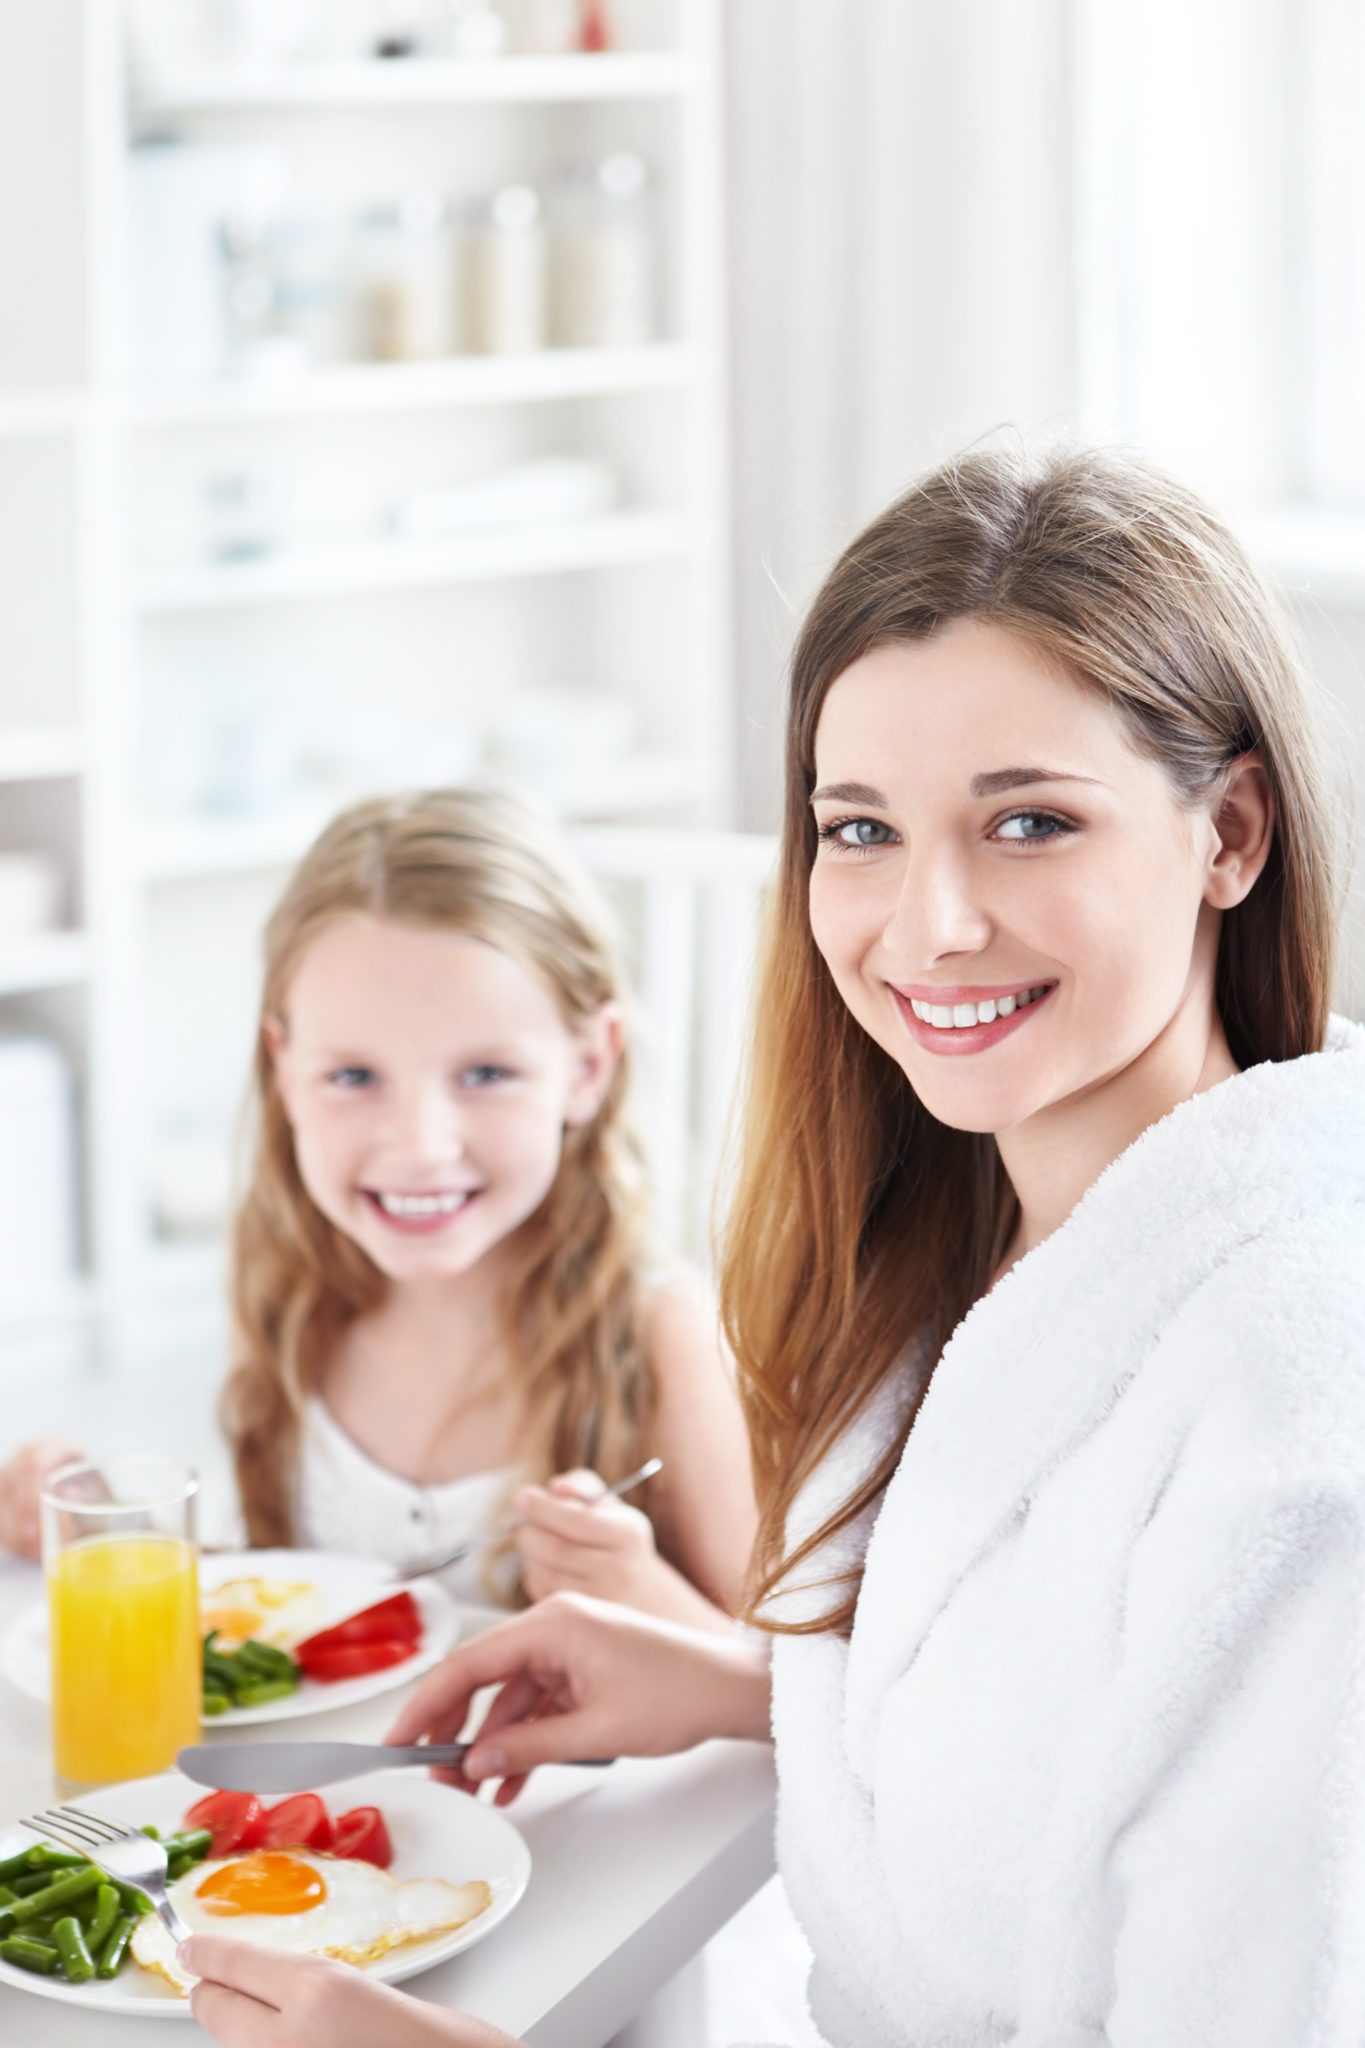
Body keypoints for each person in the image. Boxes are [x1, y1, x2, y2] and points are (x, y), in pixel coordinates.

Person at [184, 441, 1365, 2048]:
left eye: (1027, 822)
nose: (927, 922)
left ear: (1229, 833)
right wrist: (753, 1689)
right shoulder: (973, 1278)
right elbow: (1071, 1754)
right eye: (859, 829)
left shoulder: (1298, 1409)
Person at [219, 785, 753, 1626]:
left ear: (587, 1067)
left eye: (485, 1075)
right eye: (354, 1076)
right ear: (284, 1070)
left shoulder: (657, 1337)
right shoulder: (292, 1297)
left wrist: (644, 1599)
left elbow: (784, 1697)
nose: (421, 1144)